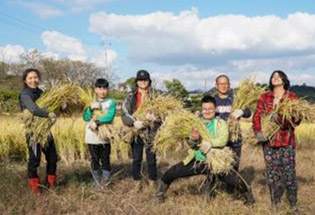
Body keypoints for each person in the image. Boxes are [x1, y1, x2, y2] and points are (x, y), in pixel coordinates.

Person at [155, 95, 255, 205]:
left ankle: (250, 200)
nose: (207, 111)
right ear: (201, 109)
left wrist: (209, 143)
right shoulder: (195, 124)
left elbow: (223, 140)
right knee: (171, 172)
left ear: (215, 109)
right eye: (205, 109)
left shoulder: (221, 123)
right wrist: (193, 139)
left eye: (210, 109)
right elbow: (192, 145)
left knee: (235, 180)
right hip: (199, 160)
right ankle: (159, 195)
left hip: (217, 162)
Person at [253, 70, 300, 214]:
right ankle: (275, 203)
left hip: (286, 141)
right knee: (272, 174)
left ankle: (293, 206)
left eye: (278, 76)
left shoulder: (291, 97)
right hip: (268, 142)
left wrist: (279, 120)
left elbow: (296, 120)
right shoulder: (265, 97)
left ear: (284, 80)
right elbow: (257, 116)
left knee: (289, 174)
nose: (275, 78)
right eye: (273, 76)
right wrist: (258, 132)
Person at [19, 68, 58, 194]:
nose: (33, 80)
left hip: (45, 131)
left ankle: (50, 183)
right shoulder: (25, 94)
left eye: (35, 77)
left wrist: (62, 106)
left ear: (39, 79)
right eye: (30, 78)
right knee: (35, 159)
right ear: (25, 80)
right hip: (33, 132)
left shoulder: (42, 93)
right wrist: (48, 114)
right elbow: (34, 109)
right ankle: (35, 186)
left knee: (53, 157)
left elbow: (51, 105)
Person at [121, 70, 158, 192]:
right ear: (137, 82)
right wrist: (134, 122)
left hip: (152, 132)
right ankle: (137, 184)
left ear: (149, 81)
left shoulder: (156, 96)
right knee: (136, 159)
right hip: (136, 132)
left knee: (151, 159)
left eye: (145, 80)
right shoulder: (130, 97)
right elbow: (124, 113)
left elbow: (164, 112)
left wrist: (156, 118)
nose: (143, 82)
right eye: (140, 80)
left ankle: (153, 183)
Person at [83, 78, 116, 187]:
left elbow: (109, 116)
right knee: (94, 159)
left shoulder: (111, 102)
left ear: (108, 89)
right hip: (92, 137)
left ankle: (106, 182)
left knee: (105, 159)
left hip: (105, 136)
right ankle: (97, 182)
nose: (102, 91)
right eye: (99, 88)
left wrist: (97, 122)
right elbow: (86, 118)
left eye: (105, 88)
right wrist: (90, 108)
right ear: (95, 90)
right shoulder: (90, 102)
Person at [214, 75, 251, 170]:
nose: (223, 86)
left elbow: (248, 112)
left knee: (233, 168)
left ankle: (233, 185)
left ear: (229, 85)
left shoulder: (235, 99)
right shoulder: (212, 101)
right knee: (216, 167)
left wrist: (242, 112)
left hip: (235, 139)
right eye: (220, 84)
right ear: (216, 85)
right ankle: (214, 184)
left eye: (225, 83)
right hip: (218, 138)